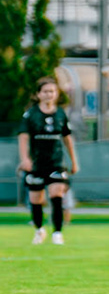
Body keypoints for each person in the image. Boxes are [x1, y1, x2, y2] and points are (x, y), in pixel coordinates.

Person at [17, 76, 79, 247]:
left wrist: (74, 161)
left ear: (56, 94)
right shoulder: (31, 114)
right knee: (36, 199)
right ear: (38, 94)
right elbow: (23, 137)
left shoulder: (61, 114)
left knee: (56, 194)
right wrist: (25, 159)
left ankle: (57, 233)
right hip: (36, 164)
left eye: (52, 91)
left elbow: (67, 139)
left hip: (56, 163)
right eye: (45, 91)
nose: (49, 95)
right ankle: (39, 229)